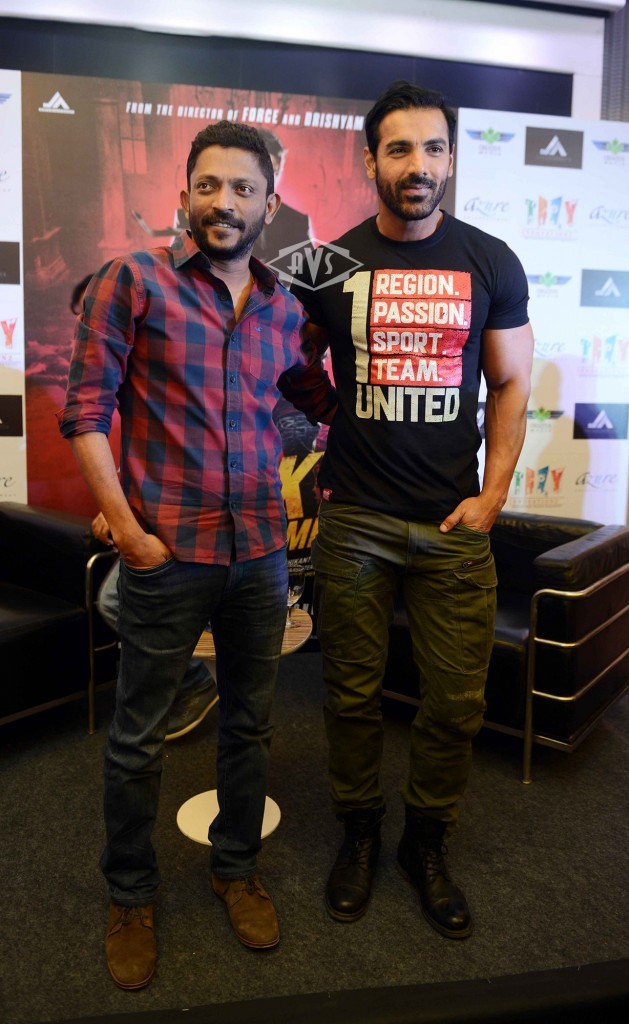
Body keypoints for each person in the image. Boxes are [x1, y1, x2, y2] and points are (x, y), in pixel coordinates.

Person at [57, 120, 334, 989]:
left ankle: (235, 869)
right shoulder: (133, 281)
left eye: (243, 188)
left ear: (269, 205)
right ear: (184, 196)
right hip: (167, 553)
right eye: (208, 185)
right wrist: (127, 529)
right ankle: (130, 894)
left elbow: (317, 400)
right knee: (137, 739)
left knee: (250, 725)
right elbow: (85, 412)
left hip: (260, 554)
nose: (224, 202)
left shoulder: (285, 310)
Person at [280, 81, 534, 939]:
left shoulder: (489, 260)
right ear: (371, 162)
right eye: (398, 149)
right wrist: (333, 412)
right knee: (350, 696)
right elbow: (288, 362)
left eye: (431, 148)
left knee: (456, 703)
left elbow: (509, 382)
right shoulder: (325, 265)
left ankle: (425, 843)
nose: (416, 165)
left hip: (452, 525)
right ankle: (359, 831)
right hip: (355, 519)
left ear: (450, 160)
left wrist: (493, 493)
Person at [92, 513, 218, 740]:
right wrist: (114, 509)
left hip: (187, 524)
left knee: (117, 602)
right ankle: (193, 674)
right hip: (148, 524)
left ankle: (195, 678)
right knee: (112, 602)